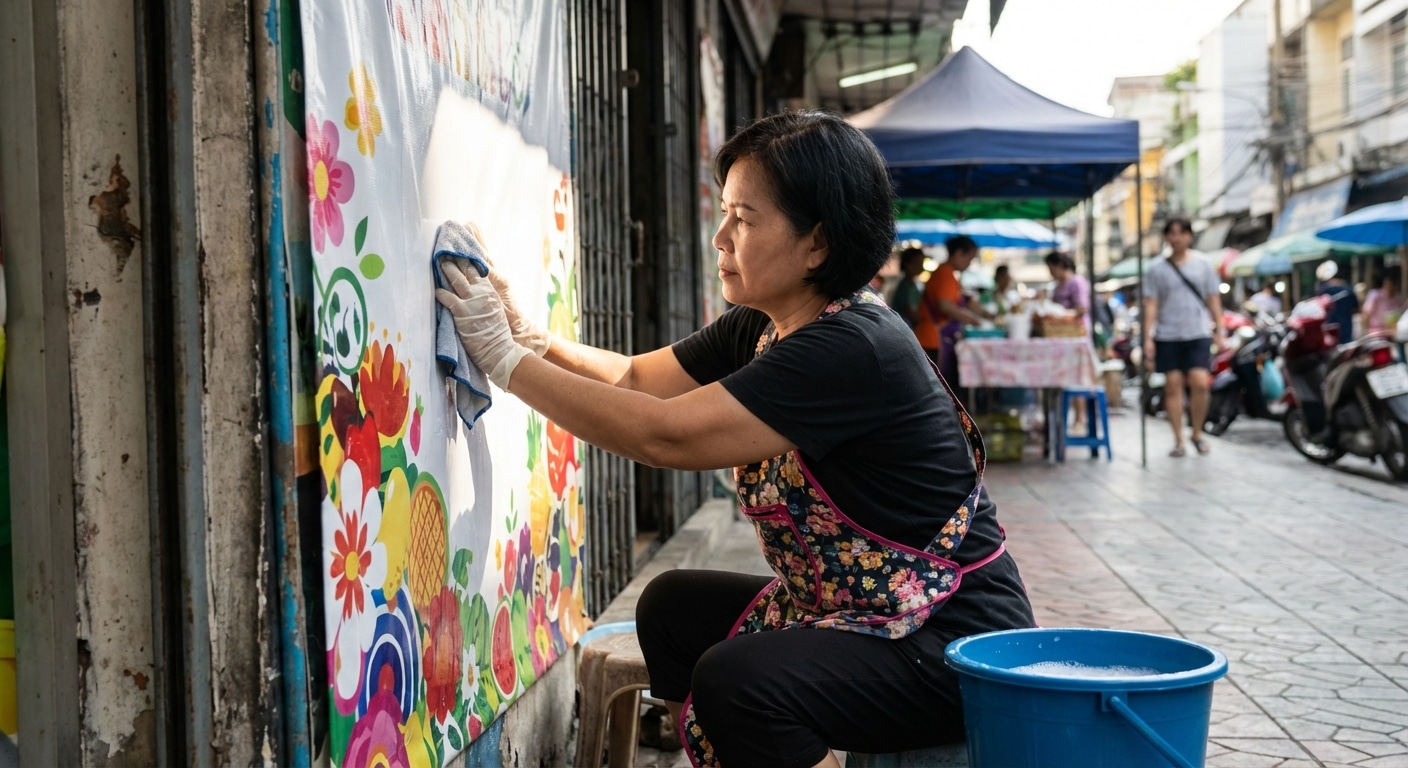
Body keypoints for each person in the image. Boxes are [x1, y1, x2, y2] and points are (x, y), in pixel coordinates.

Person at [435, 110, 1035, 767]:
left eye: (744, 219)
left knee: (740, 681)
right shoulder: (765, 323)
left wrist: (506, 363)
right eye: (725, 212)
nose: (720, 237)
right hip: (859, 611)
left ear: (817, 243)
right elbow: (640, 378)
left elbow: (666, 436)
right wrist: (533, 340)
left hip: (946, 641)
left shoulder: (853, 346)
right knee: (670, 609)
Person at [1143, 216, 1226, 457]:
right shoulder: (1156, 268)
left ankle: (1197, 433)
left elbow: (1213, 298)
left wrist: (1219, 329)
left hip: (1198, 332)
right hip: (1167, 334)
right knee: (1172, 386)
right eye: (1171, 233)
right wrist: (1148, 337)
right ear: (1166, 237)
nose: (1176, 238)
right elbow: (1151, 304)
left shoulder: (1203, 264)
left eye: (1180, 233)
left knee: (1200, 382)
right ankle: (1178, 439)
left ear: (1189, 236)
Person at [914, 235, 993, 386]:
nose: (969, 263)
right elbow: (945, 305)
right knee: (940, 386)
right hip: (933, 338)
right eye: (969, 258)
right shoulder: (944, 274)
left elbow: (963, 300)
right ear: (958, 253)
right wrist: (973, 320)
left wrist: (983, 314)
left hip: (937, 337)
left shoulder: (948, 274)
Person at [1314, 260, 1359, 342]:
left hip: (1330, 334)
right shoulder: (1348, 289)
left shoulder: (1322, 291)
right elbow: (1355, 310)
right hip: (1347, 332)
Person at [1045, 251, 1091, 327]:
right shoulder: (1058, 285)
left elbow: (1082, 309)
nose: (1050, 273)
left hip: (1078, 328)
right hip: (1063, 327)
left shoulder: (1077, 282)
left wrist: (1062, 313)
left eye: (1051, 269)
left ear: (1060, 266)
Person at [888, 246, 926, 329]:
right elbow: (911, 312)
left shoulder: (910, 283)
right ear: (908, 264)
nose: (921, 267)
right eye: (918, 263)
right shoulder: (906, 286)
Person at [1360, 266, 1404, 335]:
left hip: (1392, 333)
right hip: (1376, 334)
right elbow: (1366, 314)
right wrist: (1366, 331)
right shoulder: (1375, 295)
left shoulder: (1396, 297)